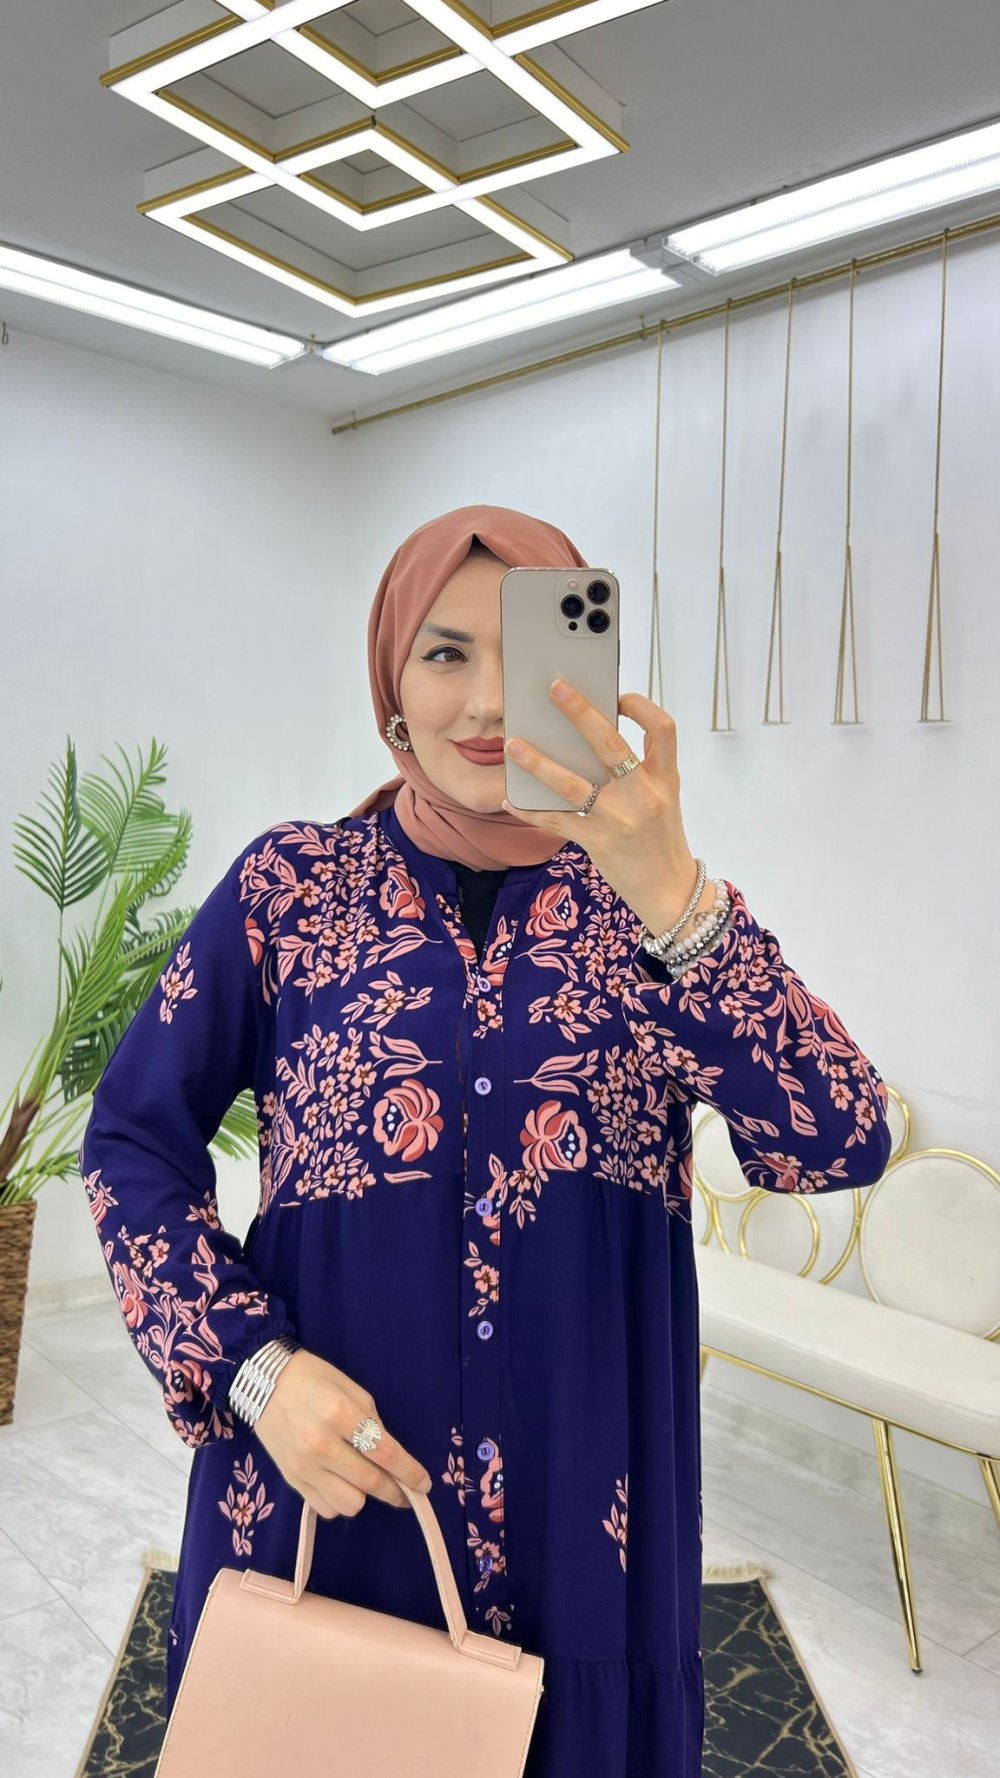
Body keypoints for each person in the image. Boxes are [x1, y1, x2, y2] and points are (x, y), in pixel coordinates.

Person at [78, 503, 892, 1776]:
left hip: (586, 1522)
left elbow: (838, 1137)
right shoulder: (290, 889)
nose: (489, 699)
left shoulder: (648, 910)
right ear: (391, 687)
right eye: (446, 652)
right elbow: (132, 1138)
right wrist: (250, 1369)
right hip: (330, 1486)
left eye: (529, 651)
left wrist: (674, 894)